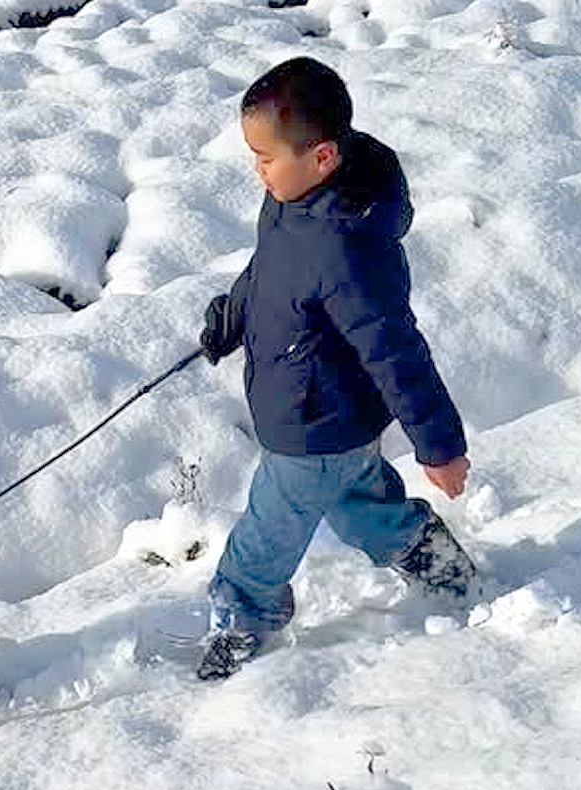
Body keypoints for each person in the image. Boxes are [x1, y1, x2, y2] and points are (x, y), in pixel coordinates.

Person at [196, 57, 478, 681]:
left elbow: (395, 350)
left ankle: (244, 616)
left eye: (265, 157)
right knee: (358, 505)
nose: (256, 169)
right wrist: (233, 316)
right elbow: (269, 270)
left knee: (267, 530)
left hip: (315, 424)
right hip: (321, 411)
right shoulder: (291, 203)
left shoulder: (346, 249)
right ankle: (437, 564)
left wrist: (439, 445)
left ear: (321, 158)